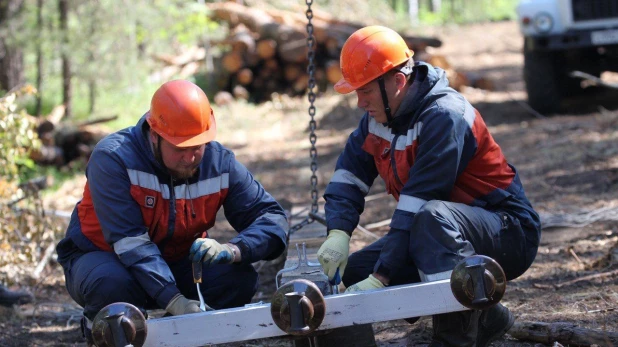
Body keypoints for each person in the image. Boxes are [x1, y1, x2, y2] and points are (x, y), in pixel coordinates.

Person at [316, 25, 541, 346]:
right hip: (436, 230)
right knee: (354, 273)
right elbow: (348, 177)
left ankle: (454, 339)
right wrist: (338, 231)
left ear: (397, 81)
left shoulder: (446, 117)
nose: (359, 103)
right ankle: (487, 317)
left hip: (508, 233)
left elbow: (419, 202)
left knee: (431, 219)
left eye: (364, 91)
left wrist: (382, 277)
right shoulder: (378, 117)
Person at [56, 80, 288, 344]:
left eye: (197, 147)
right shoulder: (113, 159)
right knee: (112, 286)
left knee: (236, 279)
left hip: (176, 259)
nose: (190, 158)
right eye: (180, 149)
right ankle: (104, 333)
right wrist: (175, 300)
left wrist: (233, 250)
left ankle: (177, 336)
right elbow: (130, 243)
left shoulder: (219, 162)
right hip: (104, 259)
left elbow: (272, 218)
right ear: (155, 135)